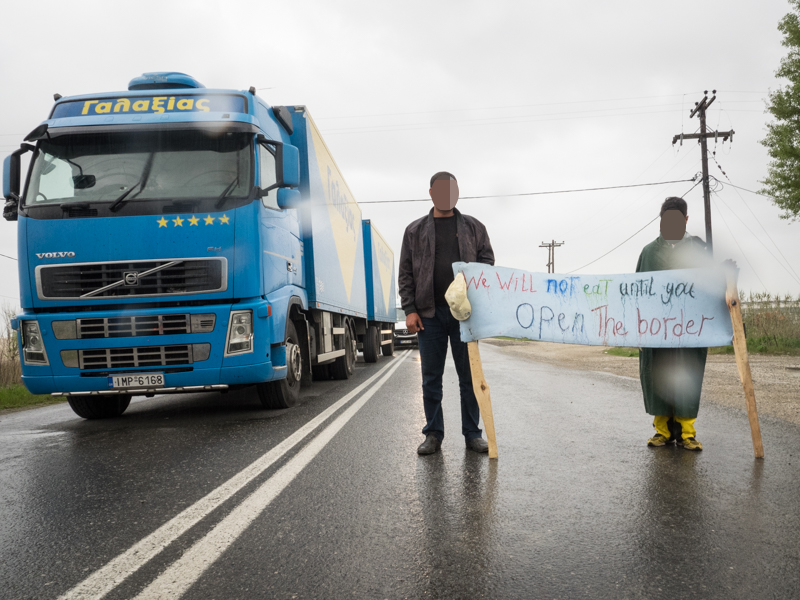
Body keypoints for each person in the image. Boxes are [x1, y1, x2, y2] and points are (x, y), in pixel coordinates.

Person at [398, 171, 495, 455]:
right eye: (441, 190)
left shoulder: (474, 228)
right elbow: (406, 272)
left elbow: (487, 263)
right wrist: (410, 309)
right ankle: (433, 434)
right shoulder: (414, 230)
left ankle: (472, 434)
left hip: (465, 315)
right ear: (431, 193)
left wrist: (475, 293)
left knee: (469, 376)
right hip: (429, 314)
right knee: (431, 377)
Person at [637, 196, 715, 451]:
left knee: (686, 375)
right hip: (656, 331)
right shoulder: (649, 252)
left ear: (686, 220)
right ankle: (662, 431)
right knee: (657, 376)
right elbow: (635, 292)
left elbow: (711, 286)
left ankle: (687, 433)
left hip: (688, 331)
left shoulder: (698, 250)